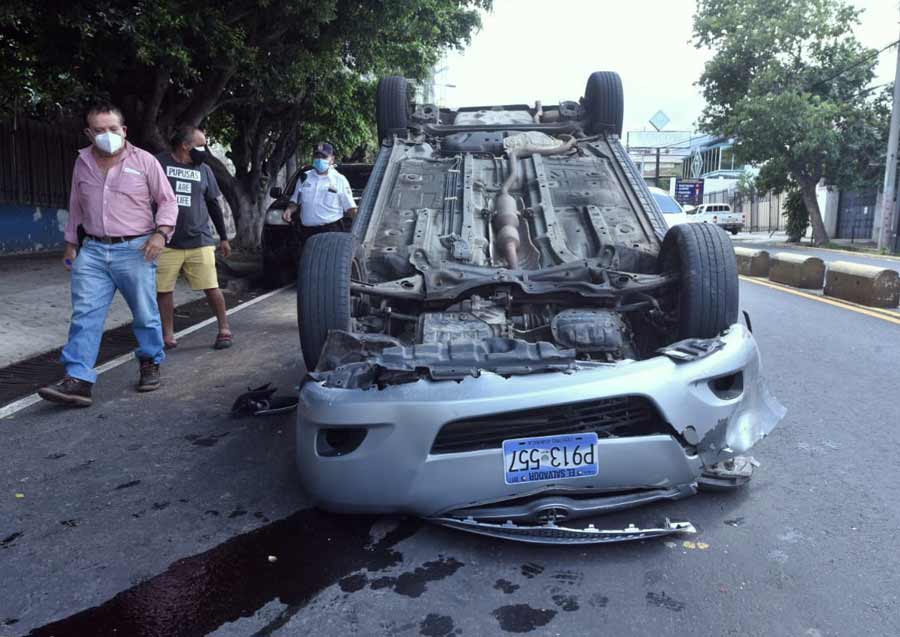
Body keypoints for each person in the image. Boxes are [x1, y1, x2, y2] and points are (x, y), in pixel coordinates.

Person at [38, 103, 177, 407]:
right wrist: (71, 244)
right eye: (99, 130)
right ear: (89, 133)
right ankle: (78, 379)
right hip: (93, 252)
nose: (107, 135)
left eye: (112, 129)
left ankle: (150, 361)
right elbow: (76, 204)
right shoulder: (82, 162)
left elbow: (167, 201)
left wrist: (160, 233)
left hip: (136, 249)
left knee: (145, 314)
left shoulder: (145, 161)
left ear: (123, 130)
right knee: (85, 315)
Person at [155, 125, 233, 350]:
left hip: (199, 239)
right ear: (185, 145)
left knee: (211, 286)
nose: (205, 150)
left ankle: (224, 329)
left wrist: (224, 238)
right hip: (166, 240)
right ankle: (168, 335)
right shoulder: (158, 164)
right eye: (201, 145)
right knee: (164, 290)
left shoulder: (205, 170)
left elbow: (213, 204)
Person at [281, 142, 357, 242]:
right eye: (317, 156)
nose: (320, 159)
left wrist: (358, 232)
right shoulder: (304, 177)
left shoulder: (339, 180)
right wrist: (289, 210)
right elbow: (295, 201)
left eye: (324, 157)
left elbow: (351, 209)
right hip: (306, 233)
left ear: (332, 159)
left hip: (331, 232)